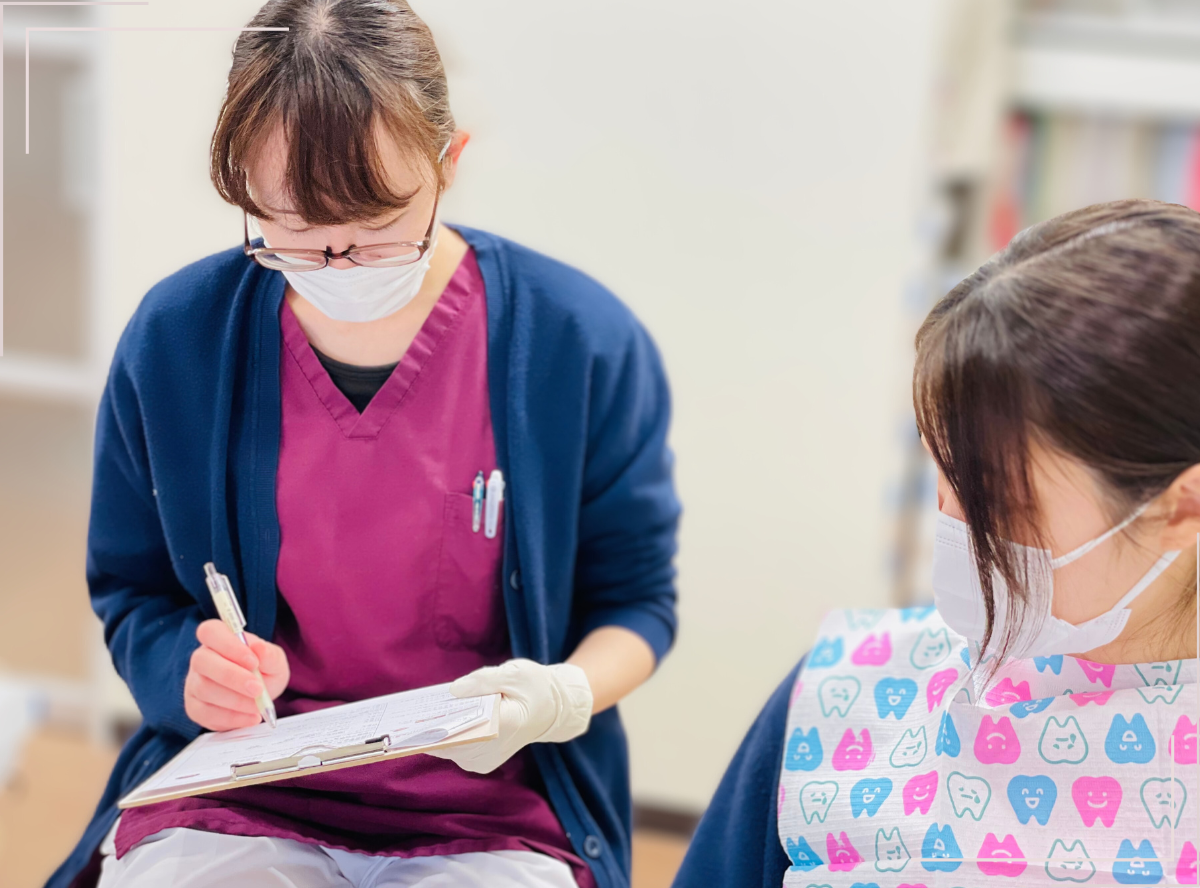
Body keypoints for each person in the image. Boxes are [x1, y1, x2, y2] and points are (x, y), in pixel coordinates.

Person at [47, 2, 680, 887]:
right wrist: (185, 673)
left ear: (449, 162)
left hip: (489, 804)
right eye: (297, 235)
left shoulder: (577, 344)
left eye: (377, 230)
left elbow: (639, 602)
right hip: (247, 787)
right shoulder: (178, 342)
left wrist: (559, 696)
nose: (338, 262)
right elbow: (132, 589)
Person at [672, 199, 1200, 888]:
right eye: (942, 475)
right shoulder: (844, 691)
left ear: (1181, 508)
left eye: (997, 500)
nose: (954, 522)